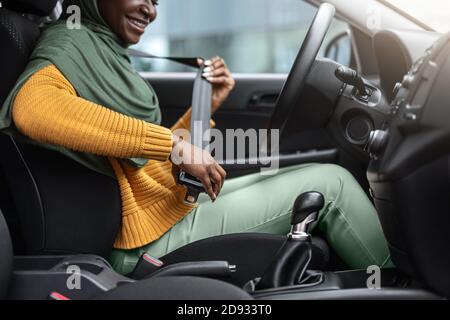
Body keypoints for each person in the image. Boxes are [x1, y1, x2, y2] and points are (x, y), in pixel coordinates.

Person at [0, 0, 392, 275]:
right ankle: (403, 284)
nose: (150, 10)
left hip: (167, 208)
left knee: (317, 171)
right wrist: (174, 145)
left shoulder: (106, 51)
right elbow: (32, 109)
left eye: (155, 1)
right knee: (331, 185)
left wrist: (207, 108)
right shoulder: (70, 41)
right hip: (145, 239)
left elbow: (142, 159)